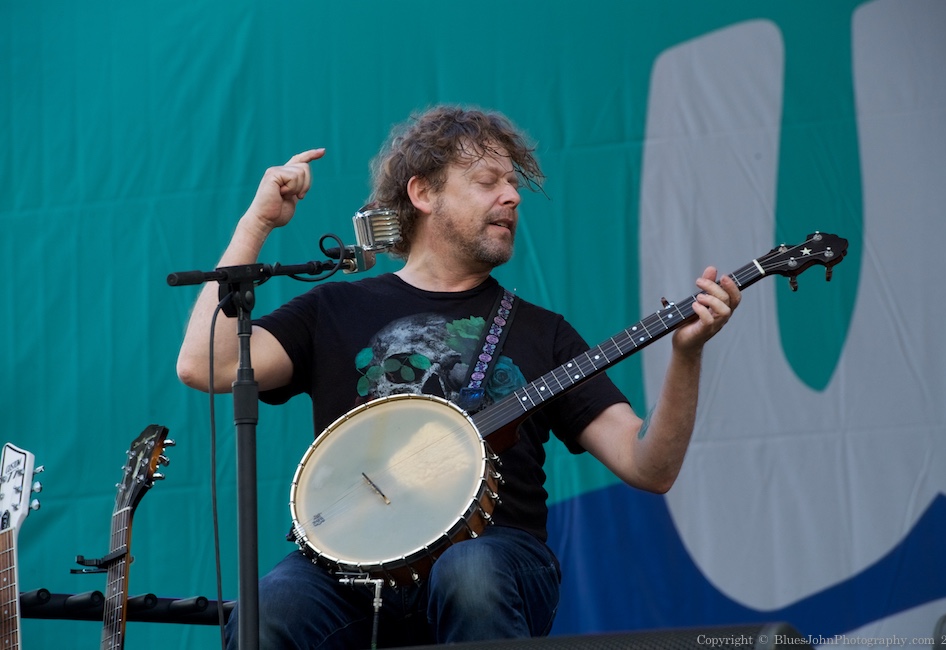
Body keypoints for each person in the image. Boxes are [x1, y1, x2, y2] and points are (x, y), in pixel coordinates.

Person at [176, 105, 741, 648]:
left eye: (513, 184)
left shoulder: (544, 333)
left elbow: (650, 466)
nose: (513, 196)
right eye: (488, 181)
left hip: (495, 553)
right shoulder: (332, 310)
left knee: (469, 571)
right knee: (271, 607)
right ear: (423, 194)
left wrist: (686, 357)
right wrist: (258, 222)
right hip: (348, 562)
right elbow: (206, 364)